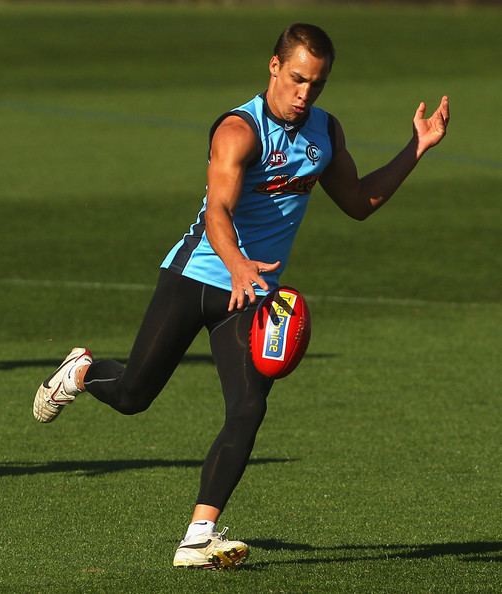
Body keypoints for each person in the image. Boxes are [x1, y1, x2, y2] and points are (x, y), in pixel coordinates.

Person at [33, 23, 449, 569]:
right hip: (198, 276)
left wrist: (415, 147)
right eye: (297, 79)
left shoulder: (325, 132)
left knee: (249, 406)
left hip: (252, 291)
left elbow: (359, 201)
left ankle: (197, 537)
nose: (305, 94)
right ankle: (83, 372)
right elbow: (217, 212)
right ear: (274, 67)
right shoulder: (239, 130)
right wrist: (236, 267)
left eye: (317, 85)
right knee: (135, 394)